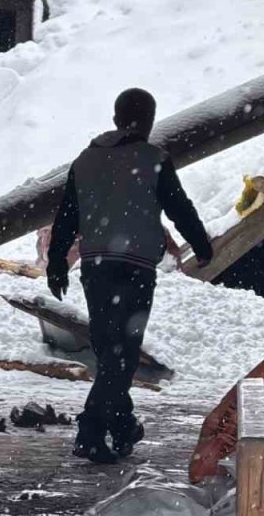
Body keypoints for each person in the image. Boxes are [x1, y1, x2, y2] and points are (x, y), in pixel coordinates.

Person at [46, 87, 214, 464]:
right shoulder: (153, 158)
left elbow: (67, 216)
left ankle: (121, 424)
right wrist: (201, 245)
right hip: (134, 268)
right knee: (121, 356)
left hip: (96, 269)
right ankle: (91, 431)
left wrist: (57, 262)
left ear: (115, 118)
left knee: (110, 351)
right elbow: (179, 209)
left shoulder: (85, 161)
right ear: (150, 122)